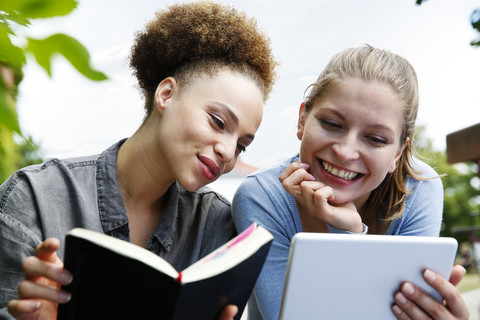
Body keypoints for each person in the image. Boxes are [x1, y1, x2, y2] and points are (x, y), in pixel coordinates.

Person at [0, 1, 277, 319]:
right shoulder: (34, 197)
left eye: (242, 145)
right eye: (217, 121)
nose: (228, 152)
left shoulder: (218, 227)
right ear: (167, 94)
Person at [232, 45, 470, 320]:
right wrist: (348, 235)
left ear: (397, 153)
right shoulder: (262, 197)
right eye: (332, 123)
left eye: (376, 139)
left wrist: (352, 233)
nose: (345, 151)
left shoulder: (419, 189)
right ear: (302, 120)